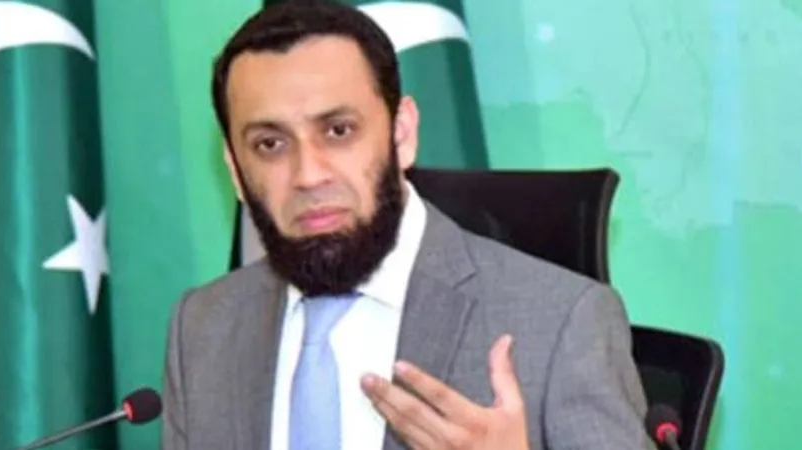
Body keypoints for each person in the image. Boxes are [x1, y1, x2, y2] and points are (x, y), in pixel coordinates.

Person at [160, 1, 653, 448]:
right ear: (235, 170)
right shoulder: (202, 326)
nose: (308, 175)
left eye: (338, 130)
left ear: (402, 135)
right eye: (270, 144)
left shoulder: (563, 322)